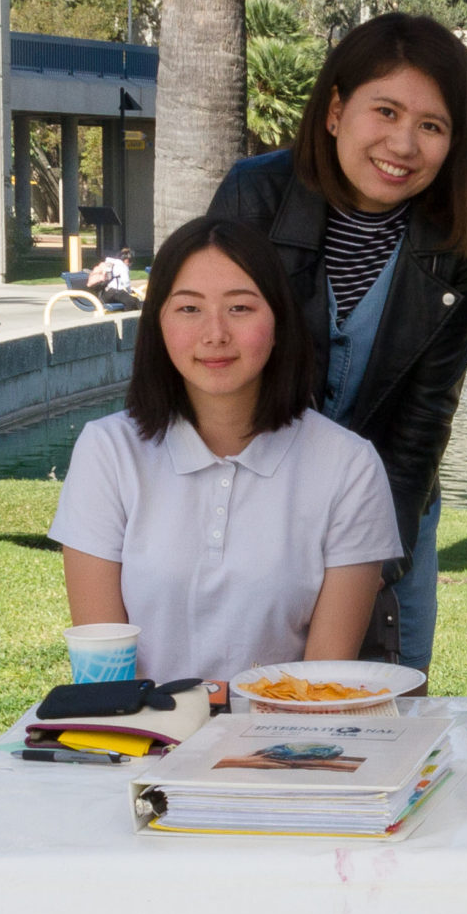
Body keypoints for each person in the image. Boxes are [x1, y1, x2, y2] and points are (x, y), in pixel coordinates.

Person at [210, 12, 467, 677]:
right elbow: (208, 370)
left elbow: (427, 414)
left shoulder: (460, 235)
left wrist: (371, 563)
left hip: (392, 503)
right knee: (252, 705)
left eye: (431, 126)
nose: (404, 143)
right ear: (337, 110)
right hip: (258, 497)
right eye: (387, 111)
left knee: (384, 703)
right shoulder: (254, 197)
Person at [46, 217, 403, 685]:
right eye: (189, 309)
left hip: (285, 744)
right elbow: (103, 680)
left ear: (278, 322)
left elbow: (320, 686)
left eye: (239, 308)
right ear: (158, 323)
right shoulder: (108, 451)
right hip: (138, 742)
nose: (215, 334)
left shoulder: (349, 466)